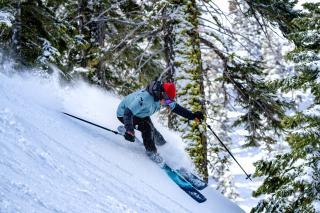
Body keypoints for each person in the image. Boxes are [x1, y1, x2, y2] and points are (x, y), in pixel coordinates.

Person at [117, 80, 204, 164]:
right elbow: (128, 113)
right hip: (124, 114)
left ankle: (164, 148)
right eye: (167, 101)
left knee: (154, 132)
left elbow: (176, 108)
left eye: (169, 101)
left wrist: (193, 116)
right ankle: (152, 152)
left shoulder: (164, 98)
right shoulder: (145, 98)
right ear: (161, 94)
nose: (168, 103)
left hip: (141, 114)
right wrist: (129, 129)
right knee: (147, 128)